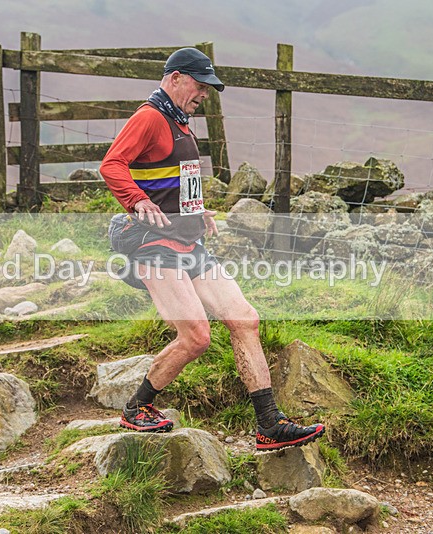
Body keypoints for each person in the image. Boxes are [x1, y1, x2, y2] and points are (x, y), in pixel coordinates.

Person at [99, 48, 325, 451]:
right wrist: (137, 201)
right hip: (153, 245)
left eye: (208, 88)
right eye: (200, 85)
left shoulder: (179, 121)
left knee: (244, 318)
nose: (204, 94)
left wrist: (195, 211)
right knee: (196, 336)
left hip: (188, 242)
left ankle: (269, 424)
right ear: (175, 78)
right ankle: (137, 408)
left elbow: (172, 177)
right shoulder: (150, 116)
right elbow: (112, 164)